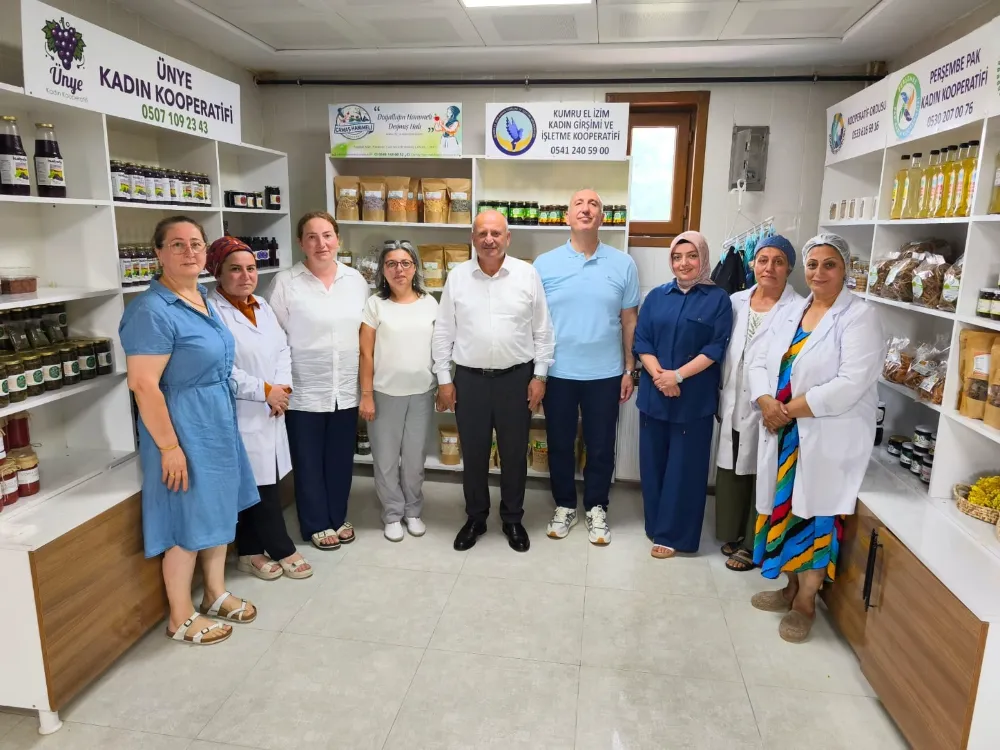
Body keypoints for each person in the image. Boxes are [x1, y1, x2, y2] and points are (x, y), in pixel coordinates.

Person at [120, 216, 259, 646]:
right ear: (158, 253)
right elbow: (143, 384)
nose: (189, 252)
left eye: (196, 243)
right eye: (177, 244)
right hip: (183, 426)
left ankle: (215, 593)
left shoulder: (199, 297)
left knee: (218, 509)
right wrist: (169, 447)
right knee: (188, 516)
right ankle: (180, 616)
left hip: (216, 419)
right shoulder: (151, 310)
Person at [748, 233, 883, 643]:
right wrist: (765, 400)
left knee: (815, 517)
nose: (819, 272)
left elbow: (851, 383)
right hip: (783, 431)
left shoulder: (859, 317)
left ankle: (806, 602)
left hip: (823, 433)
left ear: (845, 269)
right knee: (784, 510)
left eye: (829, 264)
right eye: (812, 264)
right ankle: (789, 587)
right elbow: (758, 359)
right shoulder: (793, 310)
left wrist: (787, 410)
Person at [433, 210, 554, 553]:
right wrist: (444, 379)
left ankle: (513, 518)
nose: (489, 239)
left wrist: (540, 376)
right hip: (469, 381)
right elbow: (444, 332)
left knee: (514, 454)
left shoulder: (527, 274)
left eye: (496, 233)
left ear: (507, 238)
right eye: (482, 233)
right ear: (473, 238)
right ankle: (476, 517)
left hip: (516, 379)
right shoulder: (458, 277)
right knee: (474, 454)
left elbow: (543, 330)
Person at [533, 189, 639, 546]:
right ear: (566, 217)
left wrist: (629, 369)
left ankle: (596, 507)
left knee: (601, 446)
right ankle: (565, 505)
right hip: (558, 372)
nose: (586, 208)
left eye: (594, 204)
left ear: (603, 218)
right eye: (578, 203)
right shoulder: (544, 264)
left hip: (606, 374)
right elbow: (535, 323)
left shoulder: (623, 263)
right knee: (560, 444)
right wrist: (538, 373)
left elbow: (629, 320)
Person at [207, 237, 312, 580]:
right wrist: (266, 391)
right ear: (218, 273)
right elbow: (221, 368)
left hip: (271, 407)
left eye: (251, 269)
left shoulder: (262, 305)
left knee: (262, 481)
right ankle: (282, 548)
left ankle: (249, 552)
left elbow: (282, 349)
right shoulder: (211, 312)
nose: (245, 276)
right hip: (240, 411)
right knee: (258, 486)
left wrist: (282, 389)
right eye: (235, 269)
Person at [265, 212, 368, 551]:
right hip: (303, 387)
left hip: (345, 388)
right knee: (307, 460)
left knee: (340, 458)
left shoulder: (356, 280)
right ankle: (315, 523)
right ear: (301, 243)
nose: (321, 243)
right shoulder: (286, 283)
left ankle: (337, 516)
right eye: (312, 237)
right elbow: (274, 338)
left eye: (327, 235)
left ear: (338, 239)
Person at [634, 231, 732, 560]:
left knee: (685, 469)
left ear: (703, 258)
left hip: (693, 399)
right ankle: (656, 525)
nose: (683, 263)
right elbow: (642, 341)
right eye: (677, 257)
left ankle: (674, 535)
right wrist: (660, 377)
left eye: (691, 256)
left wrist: (677, 376)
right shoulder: (657, 296)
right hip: (655, 395)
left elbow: (715, 348)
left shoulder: (718, 299)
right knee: (653, 465)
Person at [715, 235, 802, 572]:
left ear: (789, 268)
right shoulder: (736, 301)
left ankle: (754, 542)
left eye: (778, 261)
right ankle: (732, 531)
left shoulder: (799, 308)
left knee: (762, 470)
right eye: (763, 260)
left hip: (771, 402)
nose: (769, 268)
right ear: (752, 263)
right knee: (732, 462)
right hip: (732, 394)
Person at [359, 241, 438, 542]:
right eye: (391, 264)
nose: (399, 270)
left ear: (415, 267)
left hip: (421, 393)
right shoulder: (375, 305)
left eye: (405, 263)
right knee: (386, 459)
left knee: (415, 459)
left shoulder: (430, 303)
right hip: (384, 394)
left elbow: (440, 348)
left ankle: (413, 511)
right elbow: (366, 354)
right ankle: (392, 513)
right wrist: (367, 394)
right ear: (383, 270)